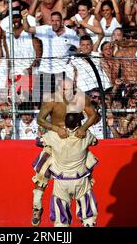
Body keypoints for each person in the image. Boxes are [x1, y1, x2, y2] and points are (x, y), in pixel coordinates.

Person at [31, 76, 99, 226]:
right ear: (59, 89)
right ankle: (37, 206)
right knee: (42, 173)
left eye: (71, 88)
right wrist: (55, 129)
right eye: (65, 89)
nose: (69, 91)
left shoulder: (81, 97)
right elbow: (40, 119)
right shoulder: (52, 99)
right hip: (55, 139)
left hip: (76, 138)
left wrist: (83, 128)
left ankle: (87, 218)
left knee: (84, 174)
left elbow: (93, 115)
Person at [42, 112, 99, 227]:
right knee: (88, 214)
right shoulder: (85, 135)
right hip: (80, 180)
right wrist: (83, 129)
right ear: (78, 123)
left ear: (65, 122)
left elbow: (38, 142)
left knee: (61, 217)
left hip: (61, 181)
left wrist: (56, 131)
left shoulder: (53, 135)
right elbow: (95, 142)